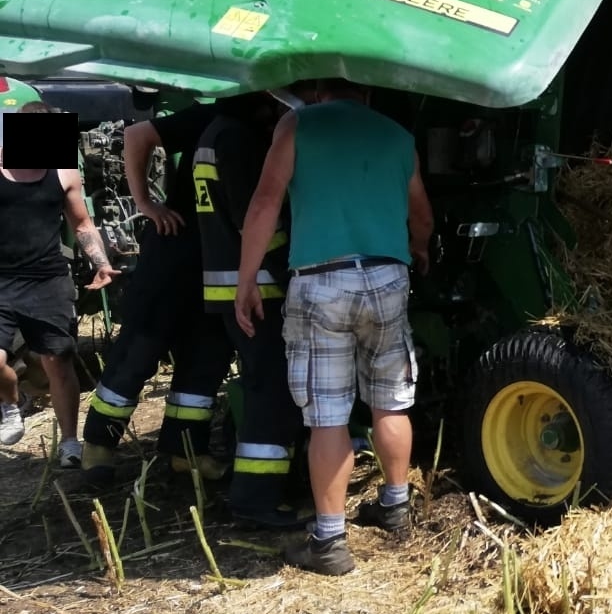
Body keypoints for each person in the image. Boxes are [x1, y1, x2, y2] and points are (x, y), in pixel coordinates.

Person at [235, 79, 433, 576]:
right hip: (388, 275)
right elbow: (421, 214)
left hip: (323, 280)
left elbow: (264, 203)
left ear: (320, 88)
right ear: (368, 89)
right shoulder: (397, 134)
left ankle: (329, 541)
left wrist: (246, 280)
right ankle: (395, 506)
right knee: (390, 400)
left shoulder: (297, 125)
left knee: (328, 415)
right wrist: (421, 248)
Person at [81, 100, 237, 486]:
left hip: (220, 261)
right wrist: (145, 203)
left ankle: (187, 452)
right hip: (174, 252)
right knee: (139, 351)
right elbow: (138, 134)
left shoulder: (281, 123)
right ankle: (99, 446)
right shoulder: (223, 114)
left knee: (208, 356)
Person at [193, 93, 306, 528]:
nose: (274, 106)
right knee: (273, 392)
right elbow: (255, 219)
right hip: (256, 290)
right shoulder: (237, 140)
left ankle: (261, 492)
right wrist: (288, 267)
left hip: (230, 284)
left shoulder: (213, 133)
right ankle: (257, 500)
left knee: (263, 386)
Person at [0, 90, 118, 463]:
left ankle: (69, 442)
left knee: (58, 359)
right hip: (1, 281)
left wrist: (100, 262)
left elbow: (81, 223)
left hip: (46, 280)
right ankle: (10, 404)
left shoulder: (63, 173)